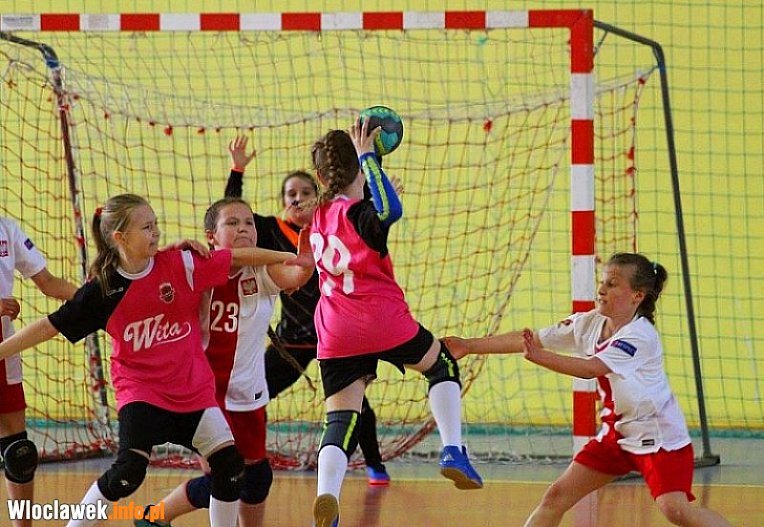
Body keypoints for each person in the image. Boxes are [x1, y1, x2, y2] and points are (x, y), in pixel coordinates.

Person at [0, 194, 314, 527]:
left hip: (192, 391)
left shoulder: (180, 264)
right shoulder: (103, 291)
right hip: (143, 393)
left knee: (231, 468)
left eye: (156, 225)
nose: (157, 233)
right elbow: (48, 326)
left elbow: (236, 256)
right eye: (147, 228)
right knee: (128, 473)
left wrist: (292, 257)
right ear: (121, 237)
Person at [445, 253, 733, 527]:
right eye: (602, 281)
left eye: (613, 284)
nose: (602, 289)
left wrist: (539, 357)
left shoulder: (640, 335)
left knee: (676, 510)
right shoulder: (588, 323)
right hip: (616, 435)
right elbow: (530, 339)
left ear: (637, 296)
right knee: (556, 497)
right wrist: (468, 346)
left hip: (657, 437)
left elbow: (590, 368)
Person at [309, 121, 483, 527]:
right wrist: (370, 157)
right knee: (441, 365)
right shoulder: (362, 214)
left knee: (340, 419)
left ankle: (326, 497)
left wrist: (372, 177)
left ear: (320, 177)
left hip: (335, 329)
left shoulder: (318, 216)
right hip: (381, 319)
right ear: (360, 168)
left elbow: (365, 209)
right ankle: (453, 450)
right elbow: (389, 211)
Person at [135, 197, 315, 527]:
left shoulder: (262, 271)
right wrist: (169, 252)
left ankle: (154, 517)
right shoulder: (195, 269)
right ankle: (156, 516)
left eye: (248, 222)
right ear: (211, 235)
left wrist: (310, 250)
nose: (243, 228)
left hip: (248, 392)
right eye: (232, 223)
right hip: (204, 393)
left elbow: (297, 274)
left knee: (257, 477)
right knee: (226, 475)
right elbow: (152, 281)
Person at [224, 135, 391, 485]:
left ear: (319, 195)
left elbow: (367, 208)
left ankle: (375, 465)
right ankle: (238, 458)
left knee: (357, 407)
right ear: (283, 202)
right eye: (291, 194)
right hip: (293, 341)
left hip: (335, 334)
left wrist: (371, 163)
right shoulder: (272, 230)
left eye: (305, 192)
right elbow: (231, 215)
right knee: (251, 393)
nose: (297, 198)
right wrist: (237, 170)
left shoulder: (333, 221)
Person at [0, 217, 78, 527]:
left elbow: (49, 283)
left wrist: (94, 298)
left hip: (3, 349)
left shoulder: (6, 229)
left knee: (19, 452)